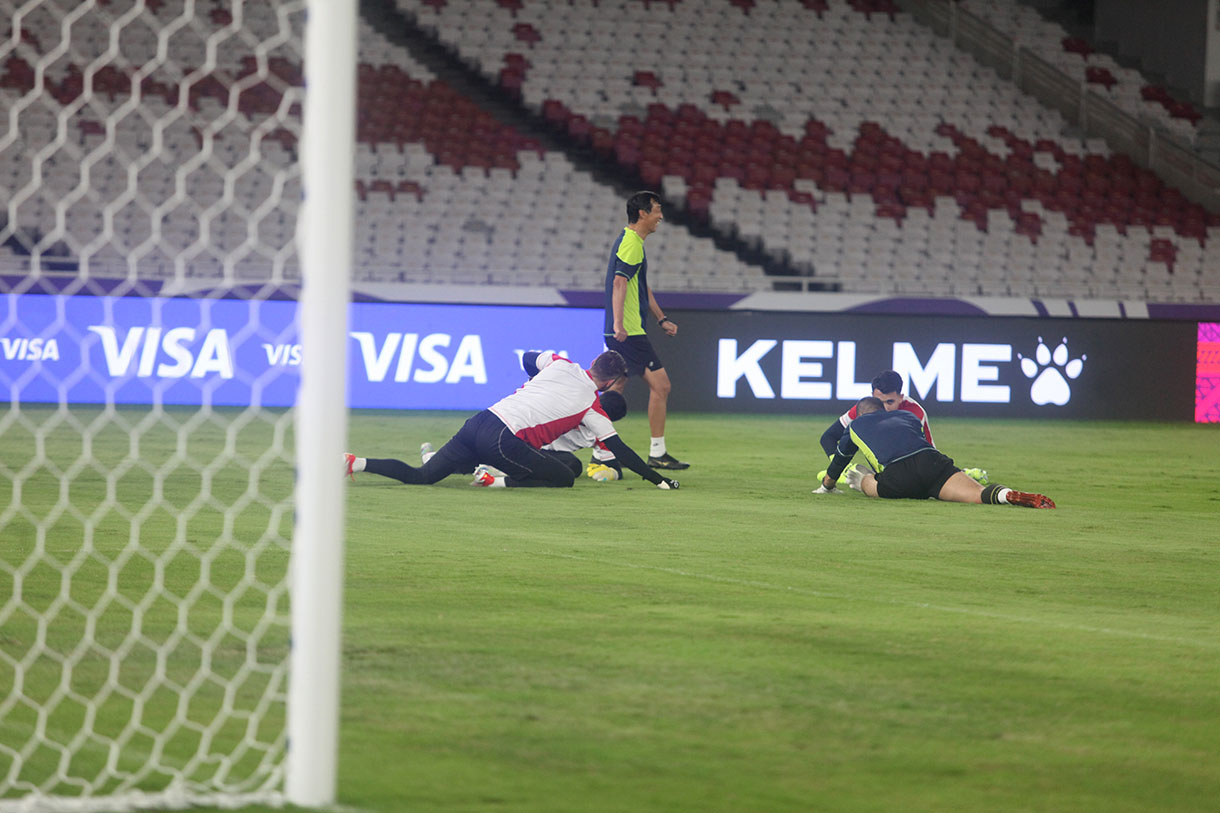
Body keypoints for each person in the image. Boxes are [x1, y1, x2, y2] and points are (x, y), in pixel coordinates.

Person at [344, 350, 679, 490]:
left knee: (423, 476)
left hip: (481, 420)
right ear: (609, 384)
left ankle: (354, 462)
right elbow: (621, 451)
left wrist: (535, 384)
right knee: (565, 477)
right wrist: (658, 480)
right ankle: (495, 481)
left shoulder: (560, 363)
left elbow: (528, 358)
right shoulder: (592, 407)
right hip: (503, 439)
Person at [814, 396, 1054, 508]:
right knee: (978, 494)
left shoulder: (856, 425)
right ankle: (1011, 496)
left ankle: (865, 480)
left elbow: (841, 458)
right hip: (933, 464)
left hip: (898, 478)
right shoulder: (908, 415)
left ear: (860, 413)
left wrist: (827, 485)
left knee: (862, 477)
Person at [597, 190, 689, 472]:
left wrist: (661, 319)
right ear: (642, 214)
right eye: (657, 210)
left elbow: (639, 286)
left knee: (615, 388)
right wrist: (618, 324)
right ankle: (654, 453)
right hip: (628, 332)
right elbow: (619, 283)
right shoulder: (631, 243)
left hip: (626, 330)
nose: (661, 216)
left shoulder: (632, 242)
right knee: (660, 386)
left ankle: (601, 452)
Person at [817, 370, 988, 485]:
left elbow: (929, 453)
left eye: (890, 402)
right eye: (879, 401)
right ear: (872, 396)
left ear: (901, 396)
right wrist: (842, 469)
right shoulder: (865, 408)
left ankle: (962, 475)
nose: (883, 408)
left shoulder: (914, 412)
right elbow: (828, 438)